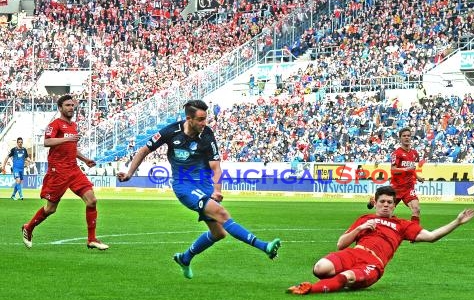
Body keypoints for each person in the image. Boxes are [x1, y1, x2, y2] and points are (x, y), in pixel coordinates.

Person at [117, 99, 281, 279]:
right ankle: (264, 246)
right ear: (189, 119)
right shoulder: (171, 131)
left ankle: (185, 258)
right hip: (184, 186)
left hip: (204, 186)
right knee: (222, 214)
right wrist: (130, 173)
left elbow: (216, 167)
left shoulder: (207, 135)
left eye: (206, 119)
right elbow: (143, 150)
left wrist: (217, 190)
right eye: (201, 119)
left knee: (218, 233)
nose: (205, 123)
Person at [287, 186, 474, 295]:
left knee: (349, 277)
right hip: (354, 252)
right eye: (382, 202)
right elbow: (341, 244)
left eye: (390, 203)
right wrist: (360, 229)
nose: (386, 205)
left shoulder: (402, 225)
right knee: (320, 268)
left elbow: (432, 236)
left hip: (374, 262)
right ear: (376, 202)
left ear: (394, 205)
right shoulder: (364, 219)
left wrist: (457, 222)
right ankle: (335, 280)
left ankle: (311, 289)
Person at [21, 95, 108, 250]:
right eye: (67, 105)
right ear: (60, 108)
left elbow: (71, 148)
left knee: (92, 201)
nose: (71, 108)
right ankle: (28, 227)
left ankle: (91, 239)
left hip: (73, 169)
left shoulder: (73, 125)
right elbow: (47, 142)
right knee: (50, 209)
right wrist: (67, 139)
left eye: (72, 105)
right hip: (58, 171)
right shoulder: (55, 125)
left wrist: (85, 159)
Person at [369, 128, 424, 221]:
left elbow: (412, 169)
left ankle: (414, 233)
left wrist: (417, 177)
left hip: (408, 188)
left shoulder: (414, 153)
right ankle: (373, 202)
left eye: (408, 136)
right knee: (386, 212)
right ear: (400, 138)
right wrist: (406, 169)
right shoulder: (397, 153)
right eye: (404, 136)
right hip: (396, 188)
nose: (407, 138)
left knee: (416, 209)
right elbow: (393, 170)